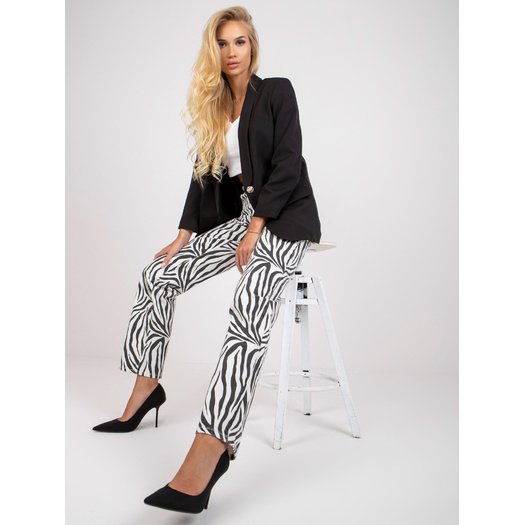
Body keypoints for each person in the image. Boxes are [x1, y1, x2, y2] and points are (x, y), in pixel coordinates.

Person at [92, 5, 322, 514]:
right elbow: (202, 176)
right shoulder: (216, 107)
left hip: (285, 218)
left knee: (247, 311)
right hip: (243, 219)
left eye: (240, 41)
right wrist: (183, 236)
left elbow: (289, 163)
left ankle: (211, 450)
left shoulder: (276, 92)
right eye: (222, 43)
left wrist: (258, 228)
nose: (232, 51)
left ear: (252, 45)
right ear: (212, 51)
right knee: (158, 273)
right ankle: (146, 389)